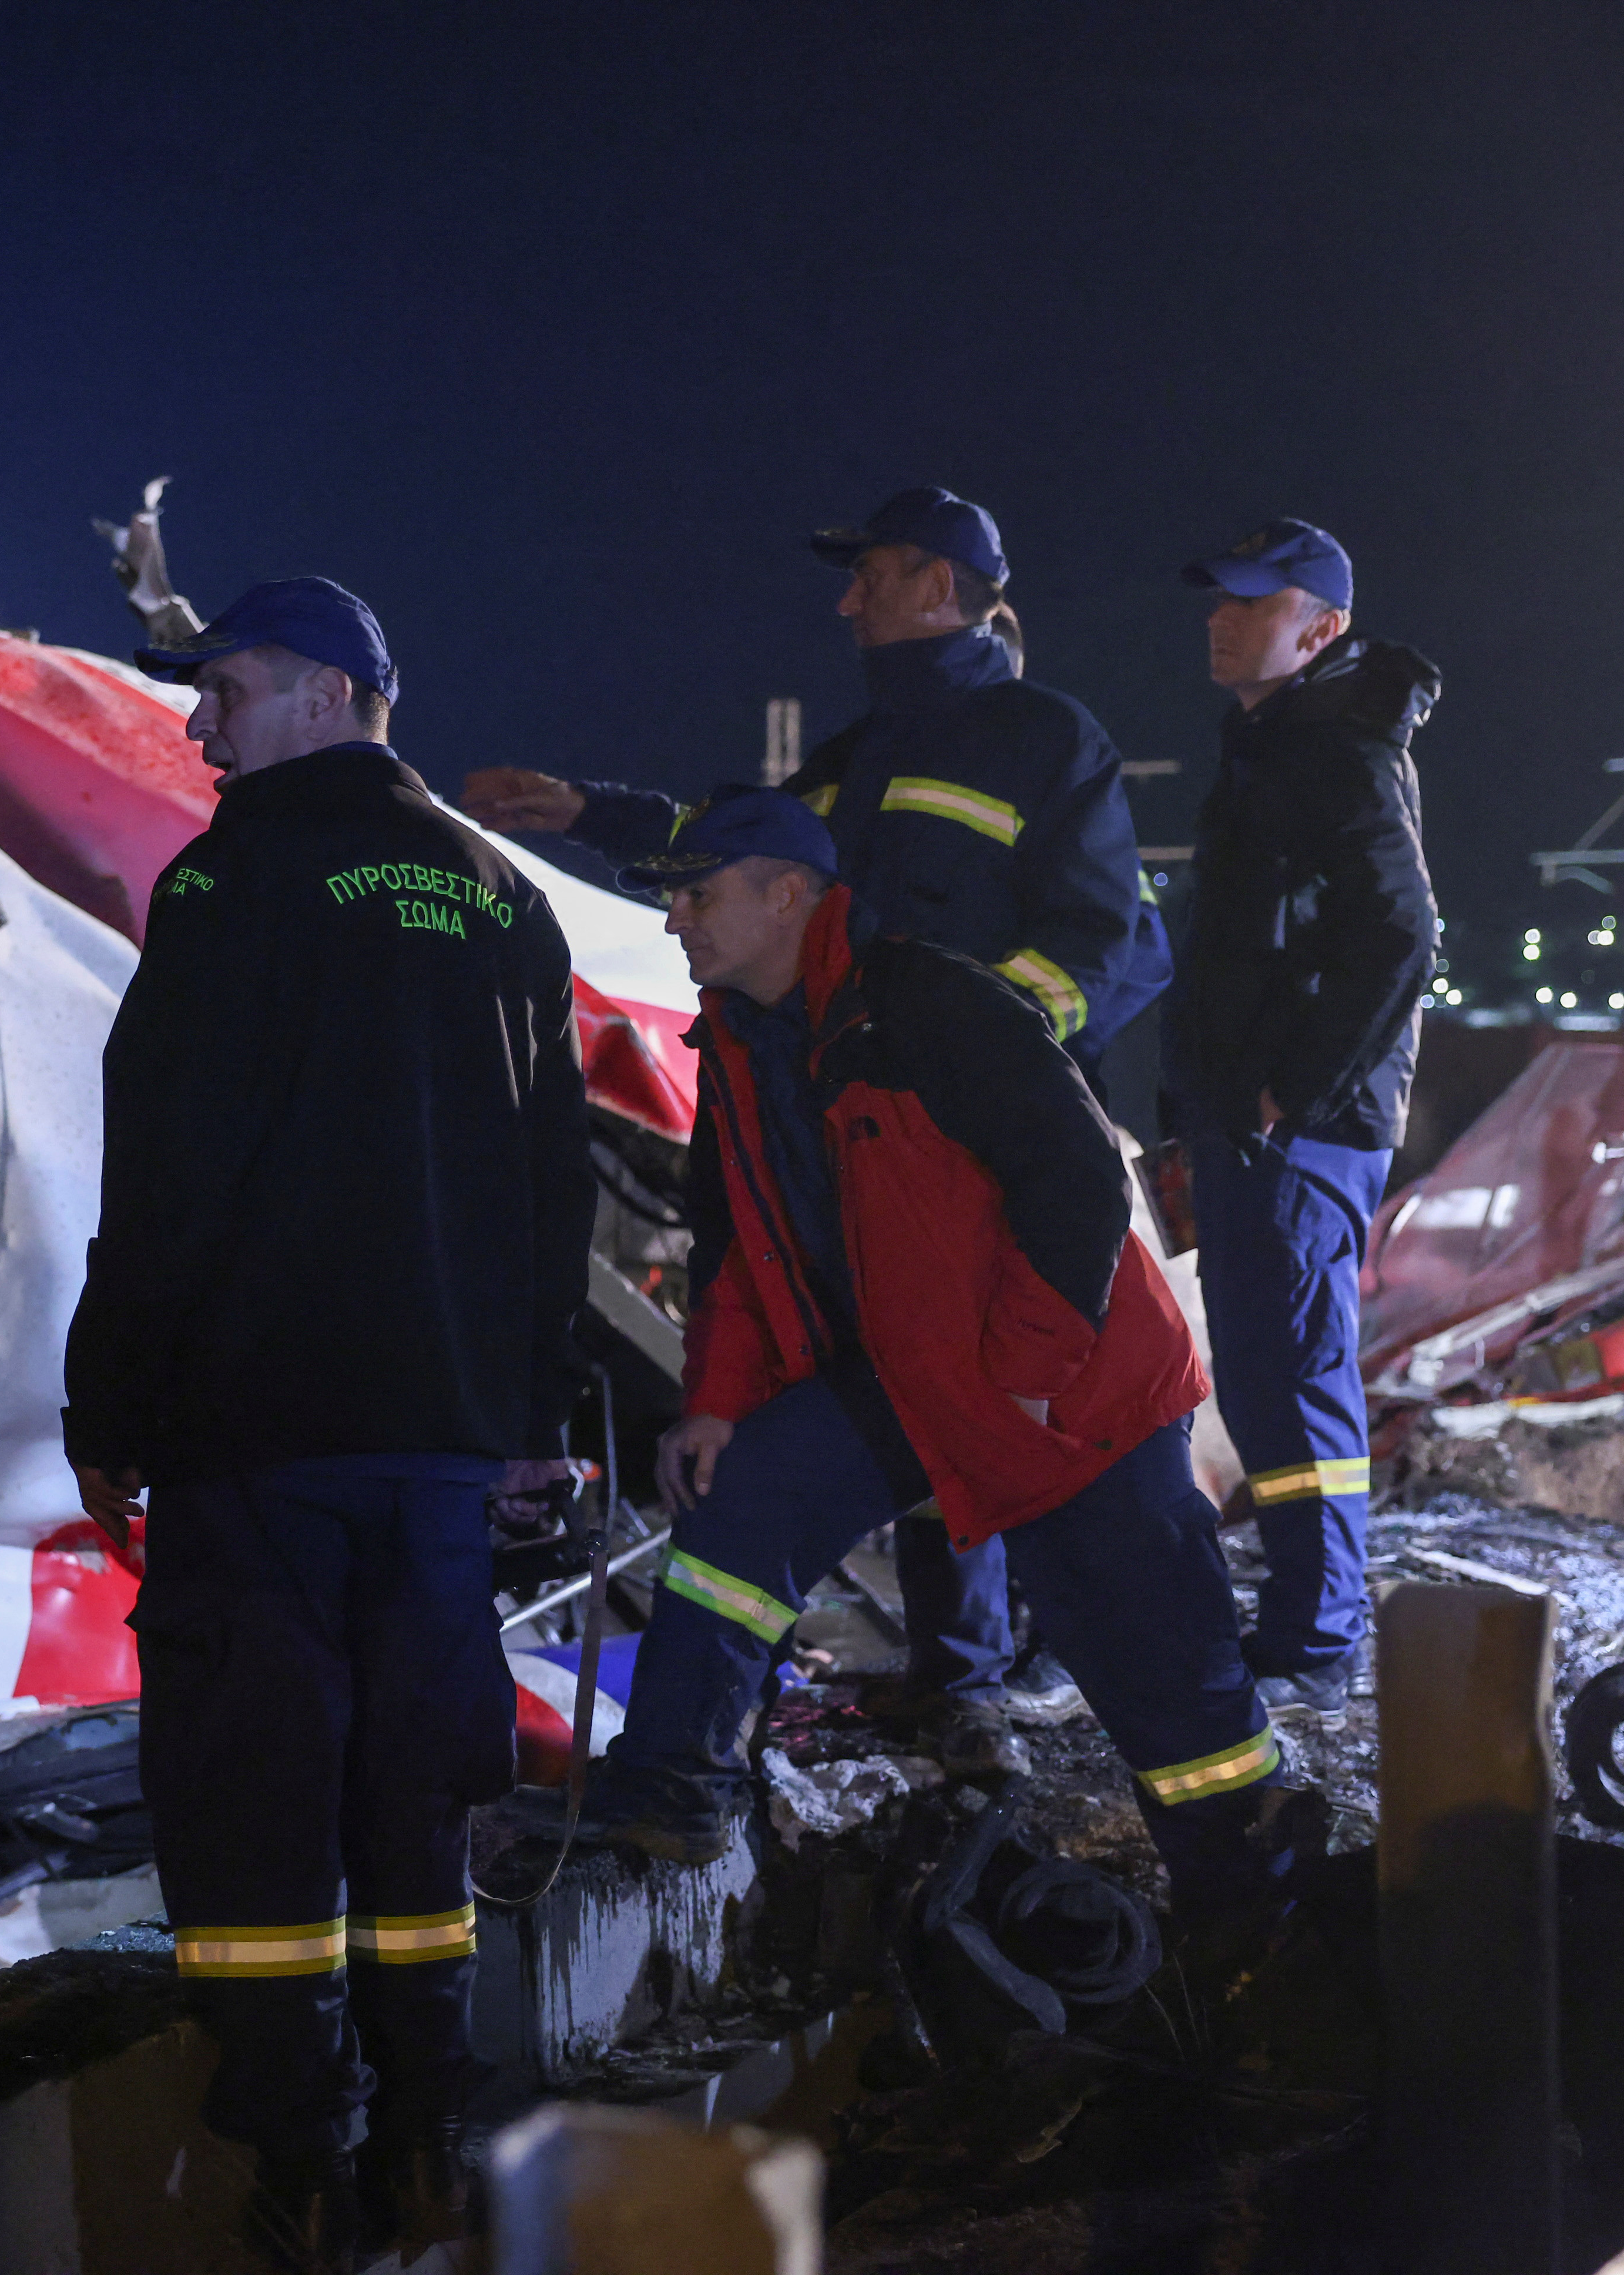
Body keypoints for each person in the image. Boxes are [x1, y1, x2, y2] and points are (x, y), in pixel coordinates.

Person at [464, 489, 1168, 1772]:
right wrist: (589, 812)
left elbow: (1112, 945)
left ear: (948, 586)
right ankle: (954, 1674)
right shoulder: (853, 761)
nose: (850, 602)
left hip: (985, 1146)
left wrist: (981, 1055)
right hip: (851, 1140)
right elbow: (736, 849)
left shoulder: (1045, 740)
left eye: (878, 577)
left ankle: (1027, 1666)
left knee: (991, 1378)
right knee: (898, 1373)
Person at [65, 576, 593, 2273]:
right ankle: (429, 2124)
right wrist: (525, 1410)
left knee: (255, 1789)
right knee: (417, 1793)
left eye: (219, 690)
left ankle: (295, 2152)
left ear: (321, 691)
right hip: (442, 1442)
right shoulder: (507, 896)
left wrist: (112, 1399)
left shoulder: (230, 880)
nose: (199, 725)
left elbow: (162, 1174)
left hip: (259, 1431)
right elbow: (552, 1182)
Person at [575, 788, 1284, 1934]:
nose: (675, 923)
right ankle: (675, 1784)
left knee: (1156, 1656)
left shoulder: (931, 1002)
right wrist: (710, 1404)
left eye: (698, 894)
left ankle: (1250, 1895)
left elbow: (1078, 1183)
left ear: (787, 892)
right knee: (743, 1493)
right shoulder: (741, 1051)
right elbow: (735, 1260)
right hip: (915, 1376)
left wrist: (1026, 1372)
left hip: (1073, 1381)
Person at [1163, 520, 1440, 1722]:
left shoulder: (1337, 752)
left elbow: (1403, 932)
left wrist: (1300, 1093)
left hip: (1301, 1128)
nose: (1220, 620)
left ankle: (1319, 1634)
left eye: (1249, 603)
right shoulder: (1276, 743)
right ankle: (1298, 1617)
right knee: (1267, 1378)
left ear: (1318, 628)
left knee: (1298, 1375)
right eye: (1217, 601)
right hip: (1255, 1118)